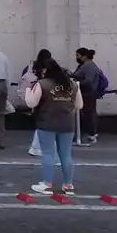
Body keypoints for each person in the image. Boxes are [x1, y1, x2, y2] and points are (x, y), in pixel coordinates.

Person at [24, 58, 84, 195]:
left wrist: (28, 90)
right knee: (66, 155)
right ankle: (68, 185)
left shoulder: (42, 84)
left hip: (47, 123)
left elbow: (31, 103)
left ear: (46, 70)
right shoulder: (73, 85)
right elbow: (79, 105)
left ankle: (47, 184)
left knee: (48, 154)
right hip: (67, 124)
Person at [22, 49, 53, 156]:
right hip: (46, 95)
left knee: (41, 121)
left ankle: (37, 146)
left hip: (36, 94)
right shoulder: (49, 68)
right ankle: (38, 147)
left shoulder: (33, 66)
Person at [72, 47, 103, 145]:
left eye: (78, 56)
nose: (77, 58)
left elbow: (87, 81)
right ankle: (91, 134)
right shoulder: (92, 65)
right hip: (90, 93)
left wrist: (76, 82)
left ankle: (90, 135)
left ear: (84, 56)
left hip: (86, 93)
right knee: (90, 113)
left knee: (87, 114)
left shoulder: (87, 66)